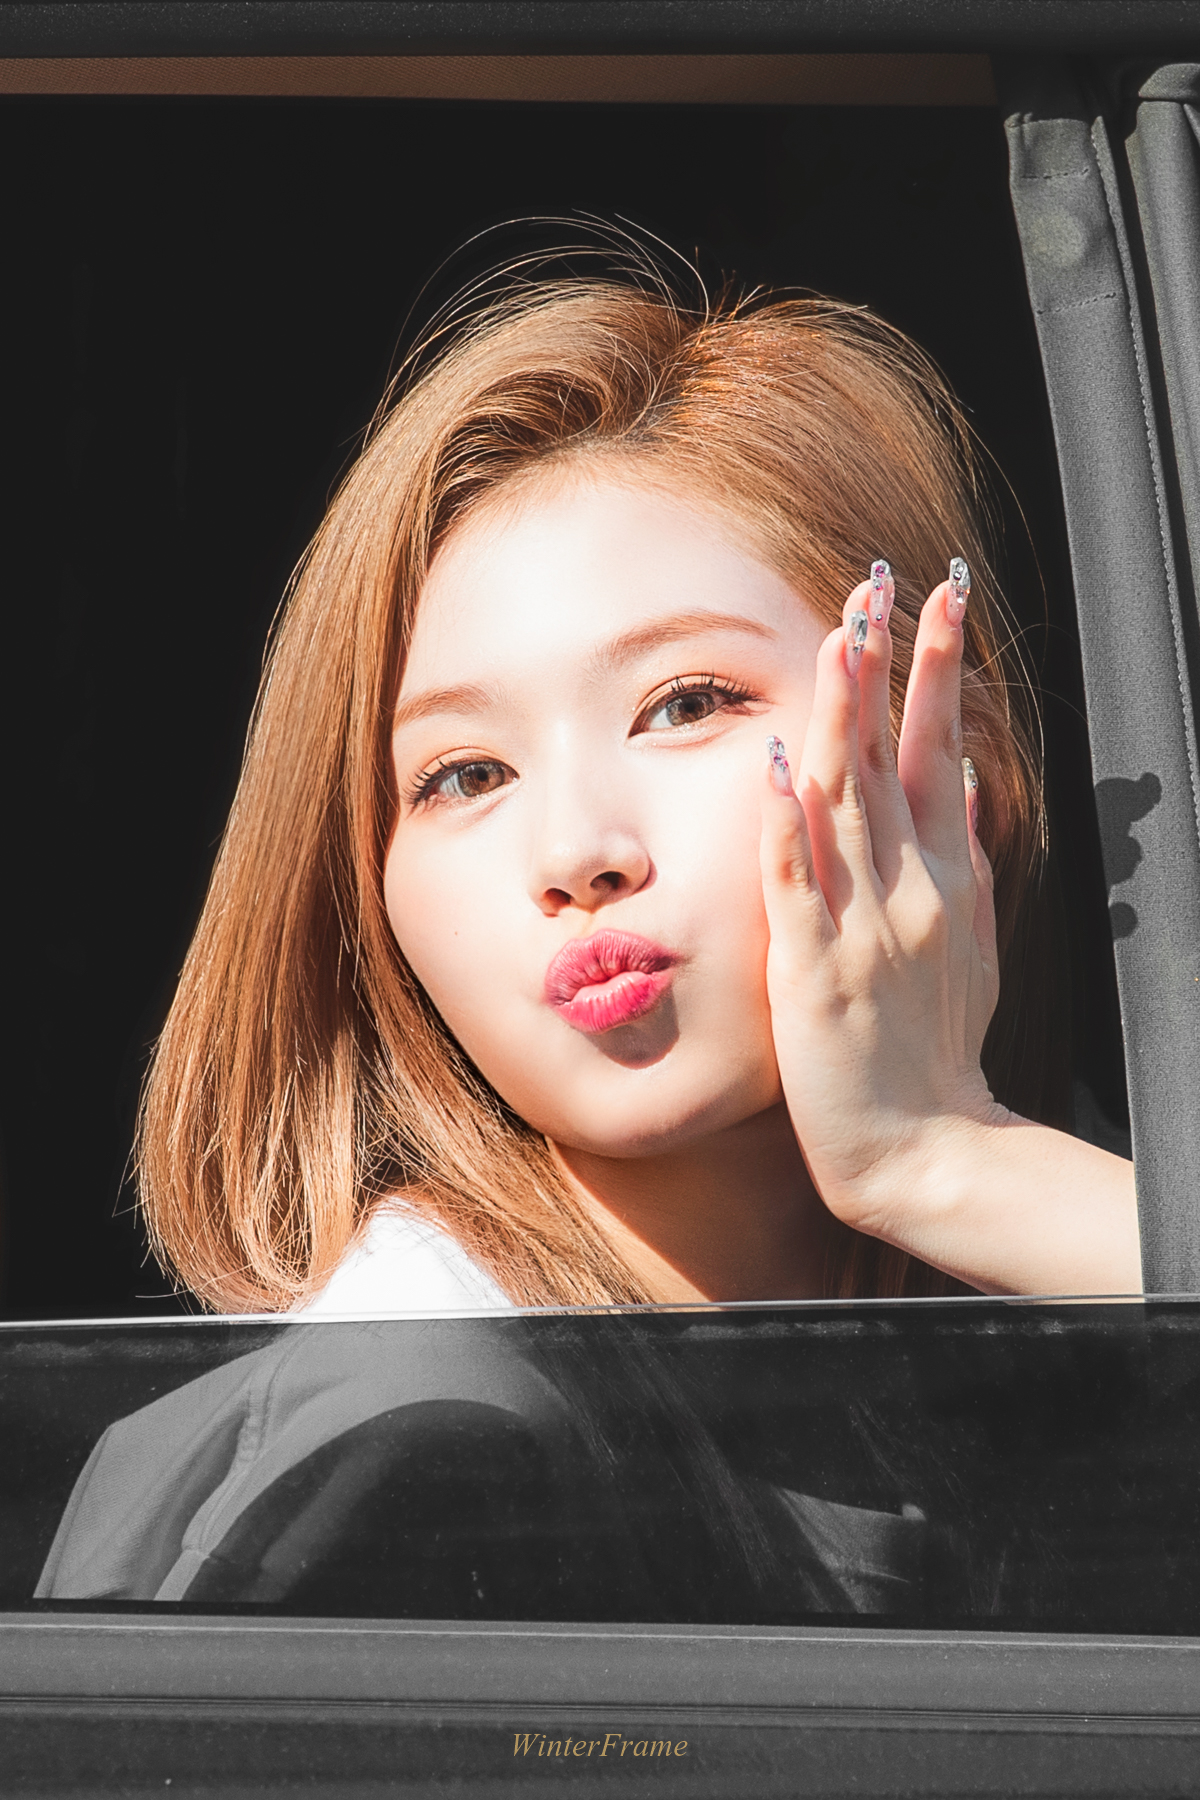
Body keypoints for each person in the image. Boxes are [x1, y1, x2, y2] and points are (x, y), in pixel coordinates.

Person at [135, 267, 1141, 1317]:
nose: (577, 854)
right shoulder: (404, 1383)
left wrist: (966, 1169)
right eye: (468, 775)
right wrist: (937, 1159)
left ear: (933, 744)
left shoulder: (1096, 1215)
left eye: (684, 705)